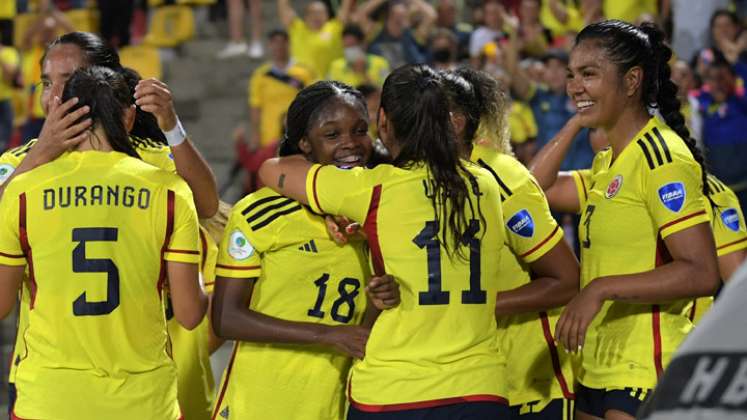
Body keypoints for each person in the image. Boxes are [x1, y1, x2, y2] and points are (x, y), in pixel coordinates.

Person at [259, 64, 510, 419]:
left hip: (394, 390)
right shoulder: (485, 184)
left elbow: (272, 169)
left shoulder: (372, 188)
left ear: (384, 123)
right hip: (479, 388)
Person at [1, 31, 219, 414]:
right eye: (45, 83)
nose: (54, 96)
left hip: (69, 385)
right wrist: (43, 152)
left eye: (68, 82)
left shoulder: (148, 158)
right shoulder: (16, 163)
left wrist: (172, 125)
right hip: (77, 375)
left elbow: (206, 202)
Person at [528, 21, 720, 420]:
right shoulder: (607, 162)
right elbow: (532, 193)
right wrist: (577, 120)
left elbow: (701, 272)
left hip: (647, 367)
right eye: (571, 75)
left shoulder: (661, 158)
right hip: (598, 363)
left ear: (632, 81)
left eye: (588, 74)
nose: (574, 85)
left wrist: (598, 289)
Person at [211, 80, 399, 420]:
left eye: (359, 130)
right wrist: (326, 335)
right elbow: (226, 317)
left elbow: (362, 335)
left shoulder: (377, 215)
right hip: (259, 401)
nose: (351, 144)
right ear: (304, 143)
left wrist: (379, 299)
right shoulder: (260, 212)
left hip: (334, 402)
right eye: (332, 134)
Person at [442, 67, 580, 419]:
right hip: (469, 382)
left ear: (456, 121)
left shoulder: (502, 176)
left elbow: (565, 280)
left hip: (532, 382)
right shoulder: (421, 180)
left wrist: (476, 307)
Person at [278, 0, 354, 80]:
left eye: (321, 13)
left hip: (331, 83)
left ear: (327, 15)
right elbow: (283, 6)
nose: (316, 16)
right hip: (303, 84)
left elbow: (346, 5)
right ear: (305, 16)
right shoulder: (297, 28)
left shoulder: (335, 27)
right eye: (313, 12)